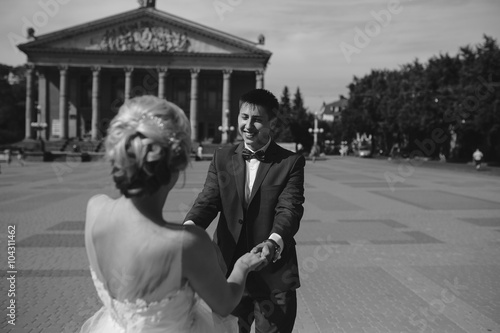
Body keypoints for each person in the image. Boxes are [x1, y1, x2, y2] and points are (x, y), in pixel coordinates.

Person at [80, 96, 267, 333]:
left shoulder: (95, 208)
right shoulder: (187, 243)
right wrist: (242, 265)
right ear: (176, 168)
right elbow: (224, 303)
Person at [184, 89, 305, 333]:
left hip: (274, 278)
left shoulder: (290, 162)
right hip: (228, 276)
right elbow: (207, 201)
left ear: (272, 122)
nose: (248, 126)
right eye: (243, 117)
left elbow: (289, 209)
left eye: (257, 119)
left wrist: (273, 242)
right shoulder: (222, 158)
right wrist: (187, 231)